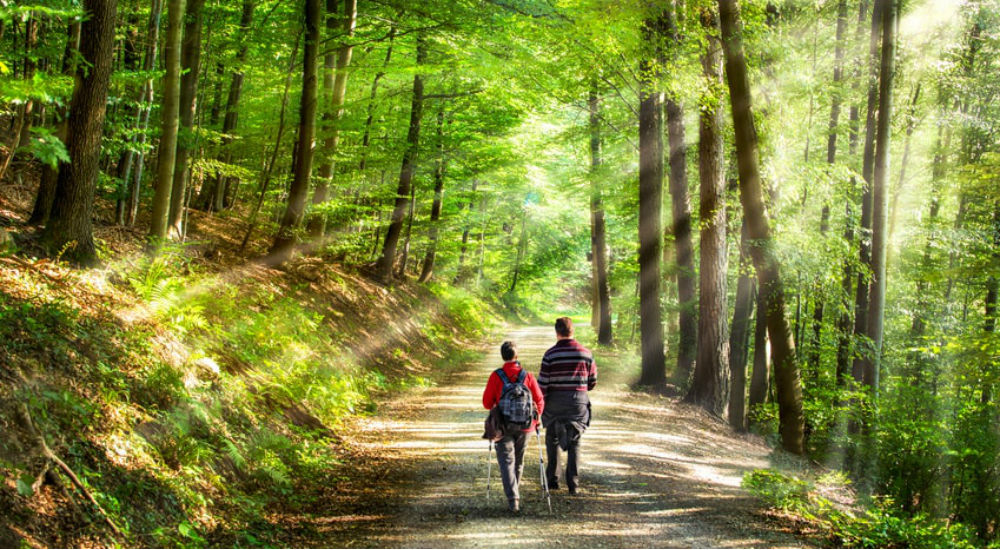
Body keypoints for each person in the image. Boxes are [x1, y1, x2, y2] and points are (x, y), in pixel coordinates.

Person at [482, 341, 544, 513]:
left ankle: (513, 499)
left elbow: (487, 403)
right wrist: (536, 419)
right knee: (518, 460)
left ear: (503, 356)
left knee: (506, 462)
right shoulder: (528, 376)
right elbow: (539, 400)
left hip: (503, 426)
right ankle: (514, 493)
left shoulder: (496, 376)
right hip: (526, 426)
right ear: (517, 356)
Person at [538, 317, 596, 495]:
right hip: (577, 402)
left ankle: (553, 480)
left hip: (555, 402)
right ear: (573, 331)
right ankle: (573, 484)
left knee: (552, 438)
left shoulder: (550, 355)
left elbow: (542, 385)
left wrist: (542, 405)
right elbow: (592, 382)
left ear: (557, 332)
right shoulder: (586, 354)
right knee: (575, 441)